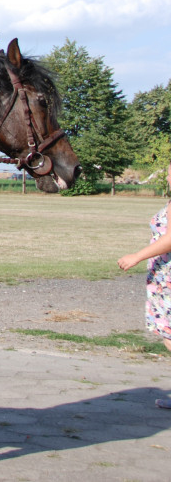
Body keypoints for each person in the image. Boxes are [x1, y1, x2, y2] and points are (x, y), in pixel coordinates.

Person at [117, 162, 171, 409]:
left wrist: (136, 256)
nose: (168, 176)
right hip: (162, 276)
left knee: (168, 333)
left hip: (168, 278)